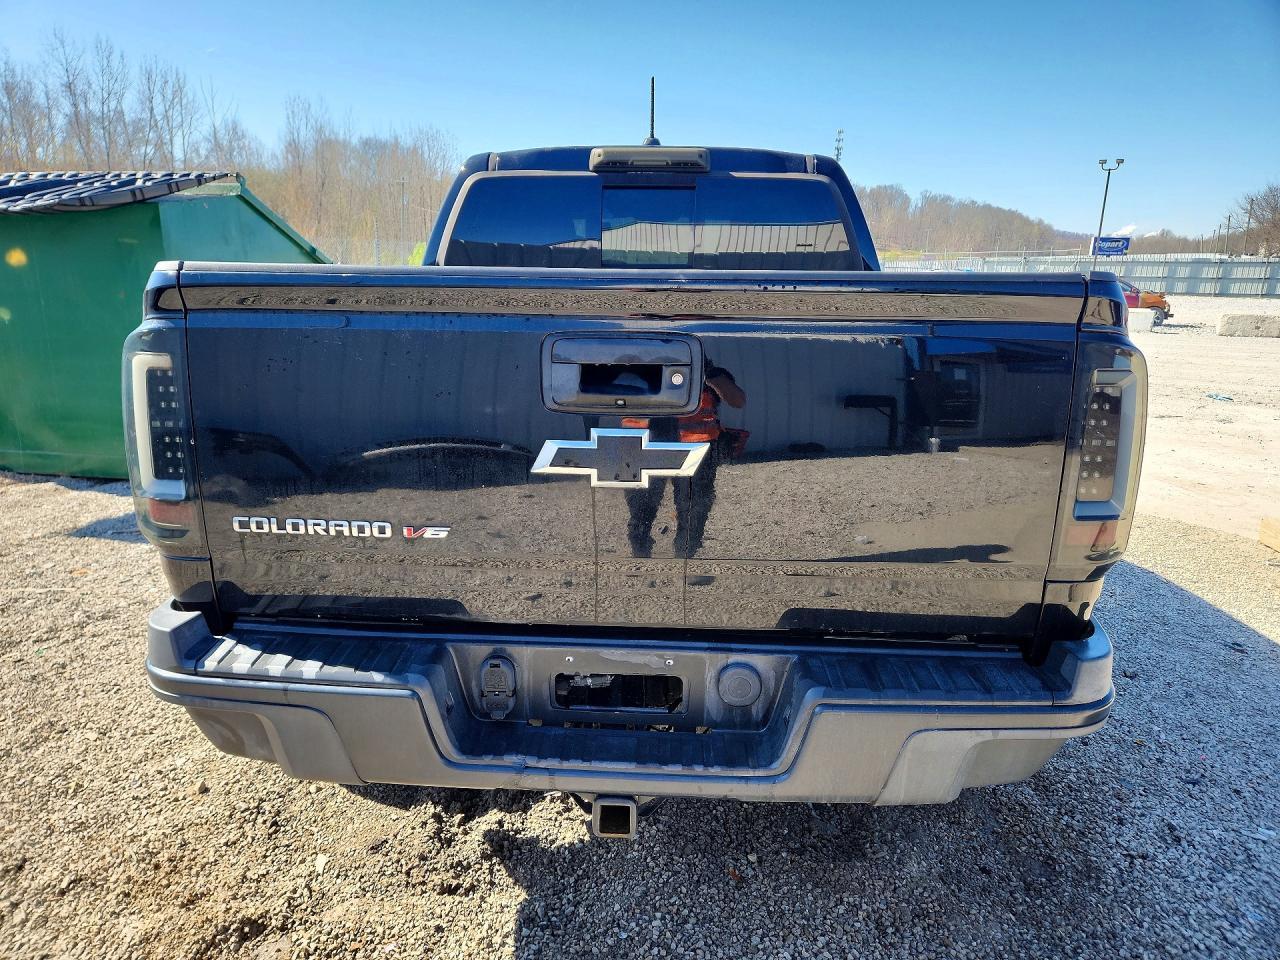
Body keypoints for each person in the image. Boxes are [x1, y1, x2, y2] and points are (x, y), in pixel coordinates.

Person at [625, 360, 746, 559]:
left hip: (695, 448)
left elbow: (738, 401)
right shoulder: (636, 370)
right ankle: (640, 553)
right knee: (641, 506)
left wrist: (709, 375)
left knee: (693, 507)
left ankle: (686, 556)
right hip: (643, 445)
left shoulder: (710, 374)